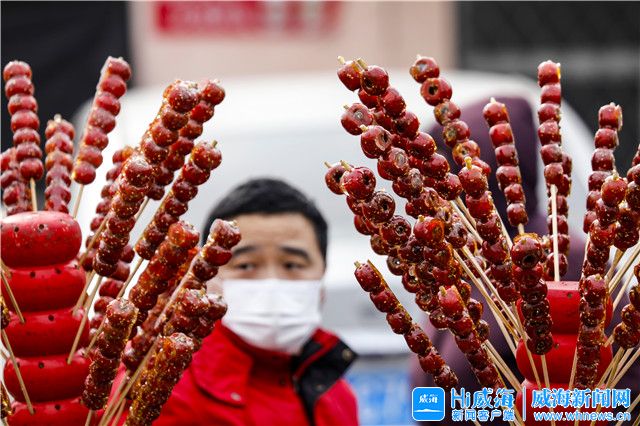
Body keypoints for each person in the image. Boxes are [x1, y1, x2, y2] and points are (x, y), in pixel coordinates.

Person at [154, 178, 359, 426]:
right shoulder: (163, 388)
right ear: (208, 276)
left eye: (292, 264)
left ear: (322, 277)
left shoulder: (338, 397)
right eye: (245, 265)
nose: (271, 282)